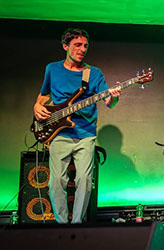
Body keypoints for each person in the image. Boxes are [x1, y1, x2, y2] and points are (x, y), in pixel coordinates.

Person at [33, 28, 121, 223]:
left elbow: (107, 101)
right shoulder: (52, 69)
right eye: (78, 45)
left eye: (85, 46)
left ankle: (77, 225)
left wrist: (113, 98)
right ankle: (62, 225)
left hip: (86, 133)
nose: (83, 49)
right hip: (59, 133)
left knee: (85, 181)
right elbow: (43, 95)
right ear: (66, 46)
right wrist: (37, 106)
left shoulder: (94, 73)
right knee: (55, 183)